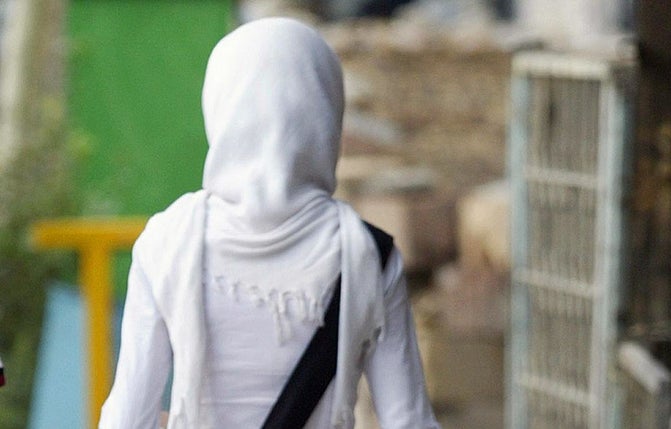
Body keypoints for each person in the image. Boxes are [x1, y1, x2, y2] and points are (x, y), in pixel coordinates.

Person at [98, 17, 440, 429]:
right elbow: (410, 422)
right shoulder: (368, 253)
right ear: (326, 109)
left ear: (221, 106)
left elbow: (127, 419)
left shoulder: (168, 242)